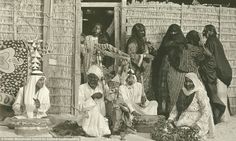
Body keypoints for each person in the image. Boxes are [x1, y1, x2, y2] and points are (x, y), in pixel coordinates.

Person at [186, 30, 225, 124]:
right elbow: (209, 59)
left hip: (188, 76)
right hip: (197, 76)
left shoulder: (186, 47)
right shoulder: (198, 49)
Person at [167, 73, 214, 139]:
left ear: (194, 82)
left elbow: (206, 110)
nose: (187, 84)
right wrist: (171, 118)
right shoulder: (183, 91)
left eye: (190, 82)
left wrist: (199, 125)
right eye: (186, 81)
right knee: (177, 133)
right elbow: (176, 107)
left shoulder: (199, 92)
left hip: (196, 119)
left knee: (191, 136)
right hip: (183, 118)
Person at [203, 25, 232, 122]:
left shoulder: (211, 41)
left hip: (220, 71)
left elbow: (209, 55)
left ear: (210, 31)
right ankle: (224, 117)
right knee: (222, 95)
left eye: (206, 31)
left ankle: (222, 118)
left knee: (219, 96)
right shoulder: (217, 41)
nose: (204, 33)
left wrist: (200, 46)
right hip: (225, 70)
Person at [77, 65, 111, 137]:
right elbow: (81, 107)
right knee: (93, 111)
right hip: (86, 116)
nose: (92, 79)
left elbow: (108, 95)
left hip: (100, 118)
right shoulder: (82, 88)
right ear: (87, 77)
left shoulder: (101, 88)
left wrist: (104, 82)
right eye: (90, 77)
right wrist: (92, 97)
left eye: (95, 77)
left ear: (98, 79)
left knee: (99, 117)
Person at [126, 23, 154, 100]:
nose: (142, 32)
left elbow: (146, 51)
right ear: (135, 32)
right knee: (137, 87)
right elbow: (131, 55)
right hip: (137, 69)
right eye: (140, 31)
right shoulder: (133, 41)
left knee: (145, 87)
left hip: (145, 69)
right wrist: (144, 56)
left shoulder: (142, 40)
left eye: (143, 30)